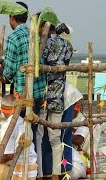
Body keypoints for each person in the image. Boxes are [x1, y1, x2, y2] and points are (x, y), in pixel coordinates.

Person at [0, 2, 46, 178]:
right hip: (38, 93)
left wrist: (1, 73)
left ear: (12, 18)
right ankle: (37, 172)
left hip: (22, 93)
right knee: (34, 135)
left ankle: (21, 172)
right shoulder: (36, 35)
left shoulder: (13, 38)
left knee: (20, 135)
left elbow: (9, 72)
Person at [40, 20, 73, 179]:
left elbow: (41, 62)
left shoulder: (44, 44)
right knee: (55, 137)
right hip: (58, 95)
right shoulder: (68, 46)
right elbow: (66, 63)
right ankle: (55, 174)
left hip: (42, 93)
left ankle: (39, 174)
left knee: (38, 135)